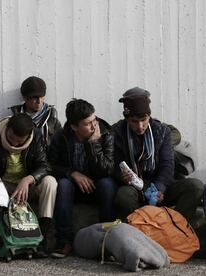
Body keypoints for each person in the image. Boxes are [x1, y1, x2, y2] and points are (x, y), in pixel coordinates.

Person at [0, 113, 57, 262]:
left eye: (19, 142)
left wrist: (29, 179)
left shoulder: (36, 136)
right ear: (8, 128)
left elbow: (44, 165)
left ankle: (43, 238)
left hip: (26, 186)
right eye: (11, 138)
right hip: (3, 185)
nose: (15, 144)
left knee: (50, 182)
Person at [113, 87, 204, 221]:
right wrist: (122, 176)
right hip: (134, 188)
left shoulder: (161, 131)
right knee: (124, 196)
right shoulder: (117, 132)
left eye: (143, 120)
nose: (140, 126)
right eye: (134, 121)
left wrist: (159, 189)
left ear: (149, 116)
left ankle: (175, 227)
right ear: (126, 119)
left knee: (195, 186)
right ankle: (140, 230)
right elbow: (113, 165)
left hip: (160, 186)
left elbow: (167, 165)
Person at [48, 99, 117, 258]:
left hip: (97, 185)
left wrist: (94, 144)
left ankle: (107, 240)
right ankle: (64, 242)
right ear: (74, 127)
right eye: (88, 124)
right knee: (63, 184)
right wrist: (72, 173)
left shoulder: (105, 133)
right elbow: (50, 165)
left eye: (95, 120)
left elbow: (107, 170)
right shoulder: (62, 136)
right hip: (74, 187)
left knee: (107, 184)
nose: (94, 126)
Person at [10, 76, 62, 145]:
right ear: (25, 98)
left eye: (41, 96)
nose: (39, 101)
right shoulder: (15, 118)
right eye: (34, 97)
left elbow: (61, 144)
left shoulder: (51, 118)